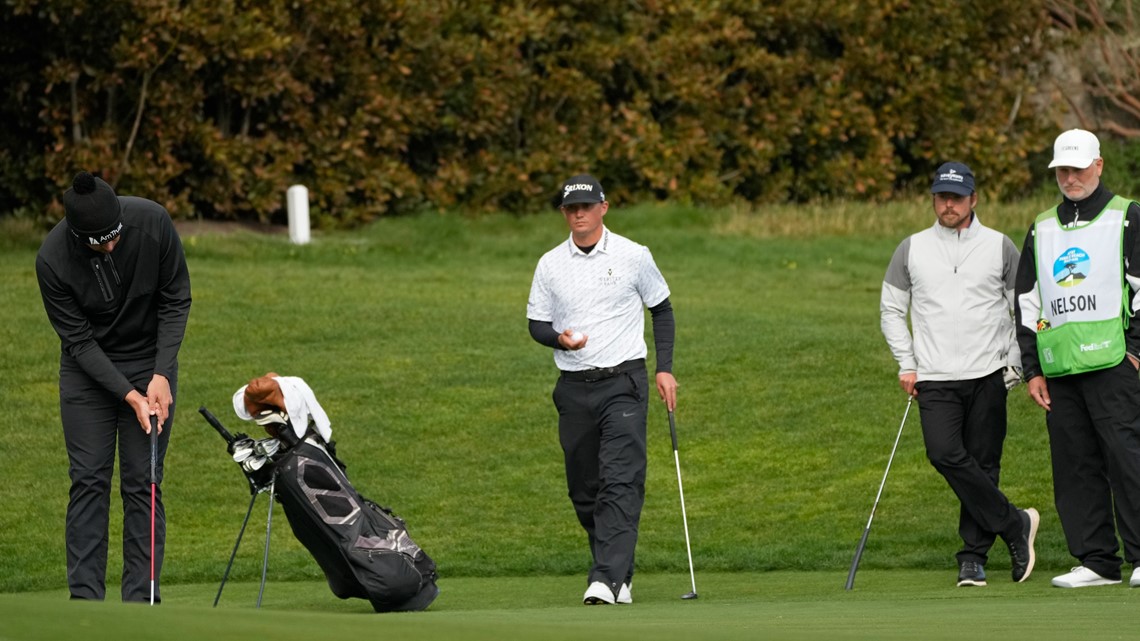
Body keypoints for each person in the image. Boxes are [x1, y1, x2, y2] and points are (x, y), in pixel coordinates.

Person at [35, 171, 192, 602]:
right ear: (77, 236)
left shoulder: (153, 222)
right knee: (88, 480)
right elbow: (79, 341)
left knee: (144, 481)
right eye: (98, 243)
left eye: (114, 237)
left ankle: (141, 602)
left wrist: (161, 373)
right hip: (87, 374)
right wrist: (128, 395)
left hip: (150, 365)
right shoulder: (52, 259)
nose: (110, 247)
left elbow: (176, 298)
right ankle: (86, 604)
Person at [881, 161, 1039, 587]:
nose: (948, 205)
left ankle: (972, 557)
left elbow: (1023, 307)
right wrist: (907, 363)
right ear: (934, 199)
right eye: (941, 197)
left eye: (956, 197)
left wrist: (1014, 363)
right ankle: (1015, 523)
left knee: (983, 464)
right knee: (943, 453)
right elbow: (891, 310)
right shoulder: (911, 248)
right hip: (934, 375)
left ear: (974, 199)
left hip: (988, 372)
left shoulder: (999, 246)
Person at [526, 173, 678, 605]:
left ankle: (606, 579)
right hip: (573, 387)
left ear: (603, 208)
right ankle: (619, 574)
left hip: (623, 382)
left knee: (620, 480)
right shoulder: (549, 263)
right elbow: (536, 323)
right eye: (571, 208)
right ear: (564, 213)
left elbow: (662, 309)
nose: (579, 214)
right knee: (585, 489)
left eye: (587, 207)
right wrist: (560, 339)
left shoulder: (633, 255)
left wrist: (664, 369)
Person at [1015, 128, 1140, 589]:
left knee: (1127, 459)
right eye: (1062, 170)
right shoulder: (1042, 227)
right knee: (1074, 465)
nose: (1070, 178)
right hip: (1060, 368)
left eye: (1078, 168)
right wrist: (1032, 369)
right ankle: (1098, 561)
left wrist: (1136, 351)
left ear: (1099, 165)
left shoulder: (1127, 216)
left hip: (1114, 363)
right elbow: (1027, 301)